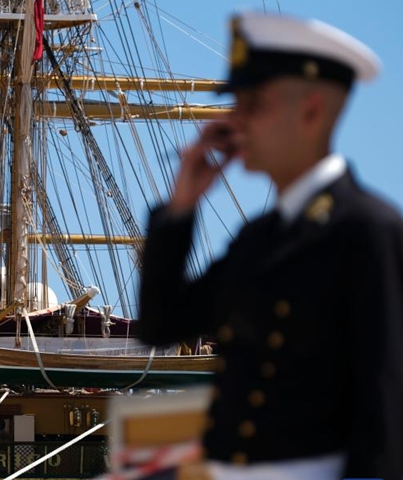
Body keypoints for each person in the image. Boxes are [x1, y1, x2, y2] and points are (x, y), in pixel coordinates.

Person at [135, 11, 403, 480]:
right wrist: (180, 208)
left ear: (312, 111)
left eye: (252, 104)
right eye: (234, 104)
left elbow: (384, 401)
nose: (234, 121)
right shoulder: (258, 238)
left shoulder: (367, 229)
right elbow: (161, 326)